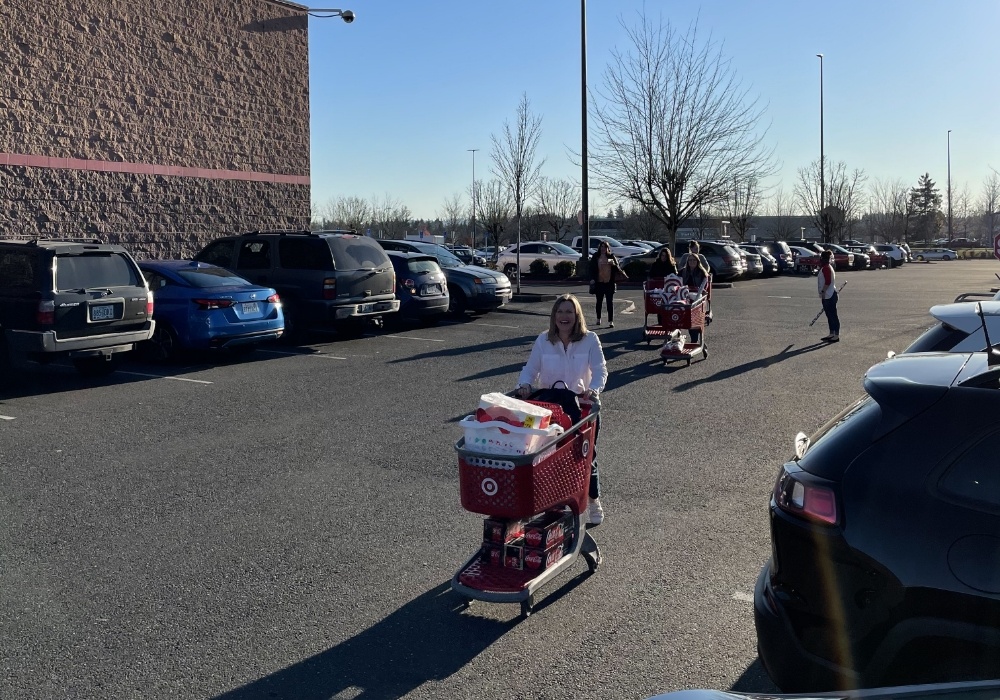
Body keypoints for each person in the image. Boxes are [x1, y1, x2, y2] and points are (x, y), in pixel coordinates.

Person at [515, 294, 608, 525]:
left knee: (585, 455)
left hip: (581, 408)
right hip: (550, 408)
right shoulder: (544, 340)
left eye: (569, 312)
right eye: (560, 312)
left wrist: (594, 390)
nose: (564, 317)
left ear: (577, 316)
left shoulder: (590, 340)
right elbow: (530, 369)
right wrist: (524, 385)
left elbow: (600, 370)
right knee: (548, 457)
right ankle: (553, 502)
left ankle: (593, 498)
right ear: (554, 316)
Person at [589, 240, 629, 328]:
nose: (603, 249)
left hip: (609, 283)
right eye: (602, 247)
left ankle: (610, 321)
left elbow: (618, 269)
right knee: (598, 302)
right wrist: (592, 279)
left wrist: (613, 264)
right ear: (600, 248)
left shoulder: (610, 256)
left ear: (608, 248)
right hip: (599, 282)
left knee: (609, 302)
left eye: (605, 247)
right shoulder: (596, 256)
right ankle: (598, 318)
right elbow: (591, 268)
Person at [681, 253, 710, 343]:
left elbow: (705, 285)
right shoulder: (683, 272)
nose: (692, 262)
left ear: (697, 262)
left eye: (694, 260)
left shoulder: (701, 272)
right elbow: (677, 283)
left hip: (697, 299)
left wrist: (702, 291)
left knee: (693, 317)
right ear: (687, 262)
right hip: (685, 297)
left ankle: (694, 339)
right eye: (690, 260)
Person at [818, 249, 840, 342]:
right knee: (829, 315)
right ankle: (831, 333)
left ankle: (836, 335)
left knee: (833, 315)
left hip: (829, 295)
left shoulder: (826, 268)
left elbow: (828, 281)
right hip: (828, 294)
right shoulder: (826, 267)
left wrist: (823, 292)